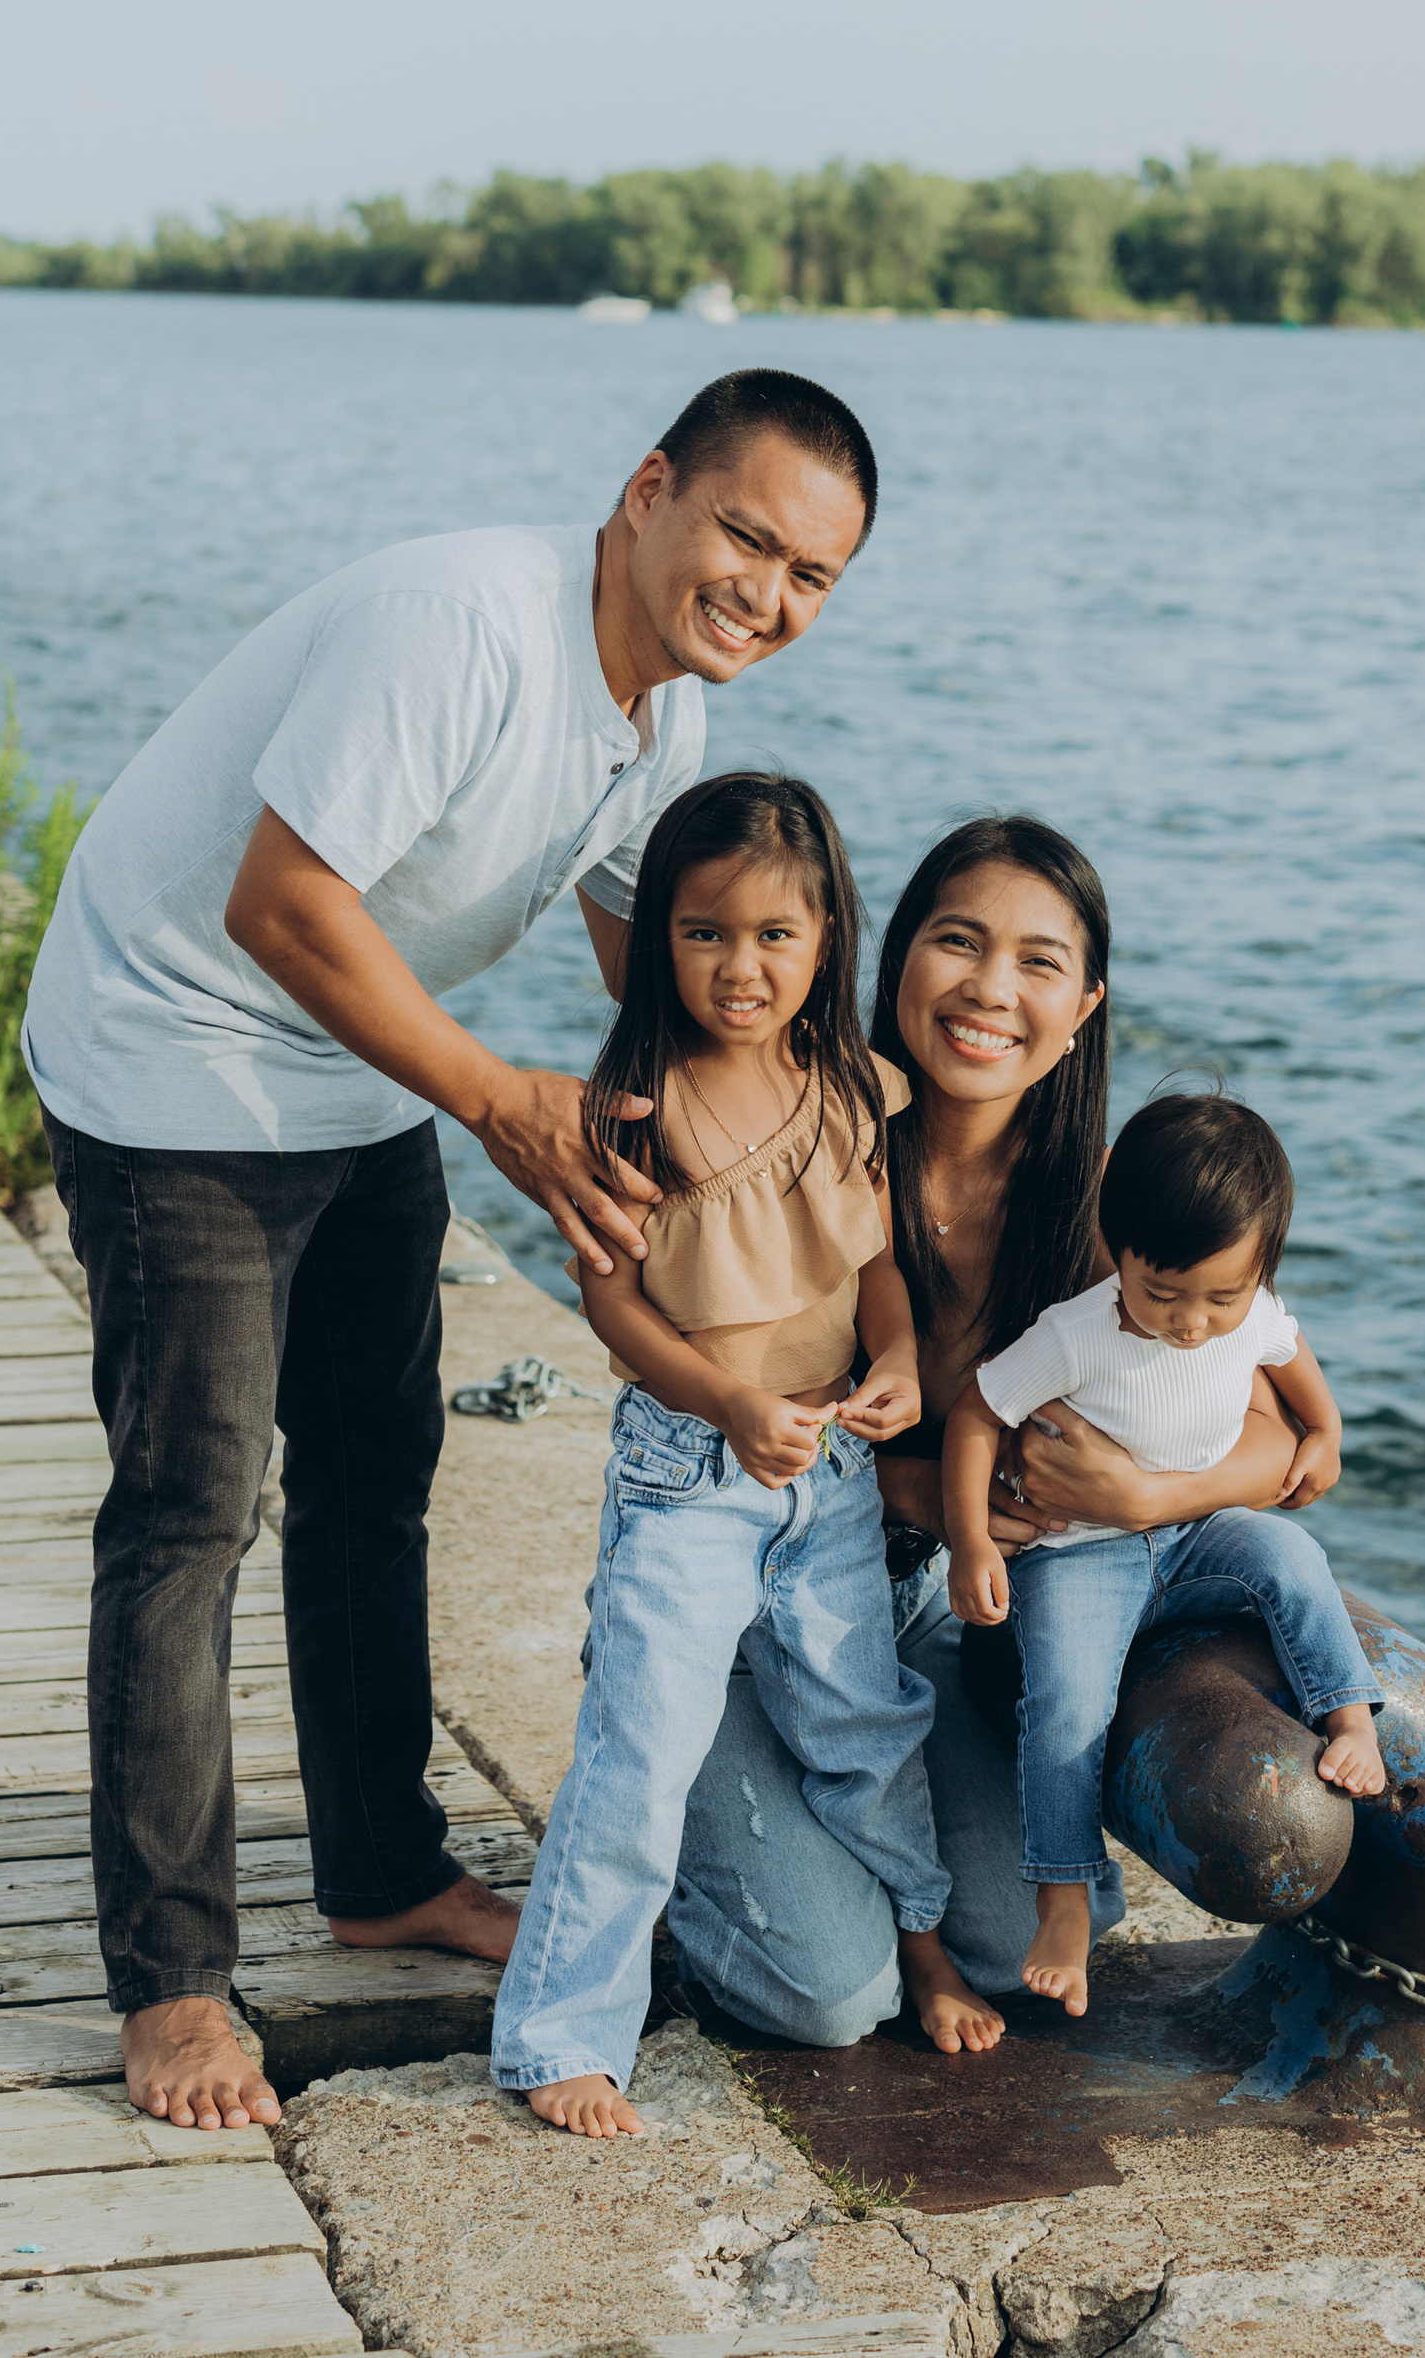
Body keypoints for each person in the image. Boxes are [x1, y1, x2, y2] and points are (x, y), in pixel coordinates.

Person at [22, 369, 878, 2133]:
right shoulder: (466, 626)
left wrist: (796, 1140)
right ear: (650, 492)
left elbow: (650, 966)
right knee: (192, 1508)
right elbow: (278, 903)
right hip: (173, 1042)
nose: (768, 595)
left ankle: (382, 1872)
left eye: (813, 576)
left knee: (375, 1468)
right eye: (746, 534)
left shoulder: (669, 724)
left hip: (346, 1055)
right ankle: (172, 1982)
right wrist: (501, 1102)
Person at [665, 815, 1326, 2040]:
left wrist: (1141, 1501)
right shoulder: (801, 1138)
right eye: (956, 943)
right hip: (755, 1601)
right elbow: (704, 1419)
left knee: (1022, 1944)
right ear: (893, 961)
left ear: (1083, 1008)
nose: (989, 989)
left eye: (1037, 962)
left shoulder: (1113, 1203)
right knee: (828, 1995)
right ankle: (699, 1856)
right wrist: (915, 1492)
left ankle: (834, 1861)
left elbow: (1278, 1442)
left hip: (950, 1626)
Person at [489, 773, 1001, 2136]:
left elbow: (876, 1264)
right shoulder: (636, 1105)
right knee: (639, 1749)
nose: (741, 967)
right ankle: (561, 2037)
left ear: (830, 937)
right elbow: (612, 1307)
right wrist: (723, 1400)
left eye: (777, 935)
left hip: (826, 1470)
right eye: (706, 932)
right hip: (688, 1473)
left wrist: (893, 1363)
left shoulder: (845, 1089)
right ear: (660, 933)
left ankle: (922, 1939)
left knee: (864, 1723)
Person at [943, 1087, 1386, 2015]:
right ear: (1118, 1248)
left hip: (1193, 1539)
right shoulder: (1078, 1333)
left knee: (1291, 1555)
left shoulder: (1251, 1309)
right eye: (1163, 1294)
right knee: (1063, 1697)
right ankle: (1063, 1892)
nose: (1191, 1323)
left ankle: (1348, 1715)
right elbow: (979, 1412)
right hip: (1082, 1557)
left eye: (1219, 1297)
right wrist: (971, 1539)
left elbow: (1291, 1355)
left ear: (1259, 1268)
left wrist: (1326, 1430)